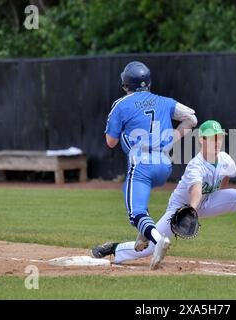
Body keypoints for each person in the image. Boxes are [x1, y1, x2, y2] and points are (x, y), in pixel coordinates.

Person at [91, 120, 236, 267]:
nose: (217, 141)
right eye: (213, 137)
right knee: (151, 248)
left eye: (220, 137)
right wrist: (191, 212)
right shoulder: (196, 165)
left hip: (207, 201)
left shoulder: (226, 159)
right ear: (202, 140)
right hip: (181, 209)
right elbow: (196, 190)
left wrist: (220, 198)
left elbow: (225, 179)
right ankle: (114, 248)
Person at [91, 61, 198, 269]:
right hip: (164, 165)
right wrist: (170, 139)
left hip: (141, 163)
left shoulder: (121, 104)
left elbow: (110, 142)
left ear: (126, 84)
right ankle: (143, 236)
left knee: (135, 212)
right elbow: (192, 119)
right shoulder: (164, 101)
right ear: (148, 83)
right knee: (142, 204)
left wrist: (124, 132)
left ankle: (158, 240)